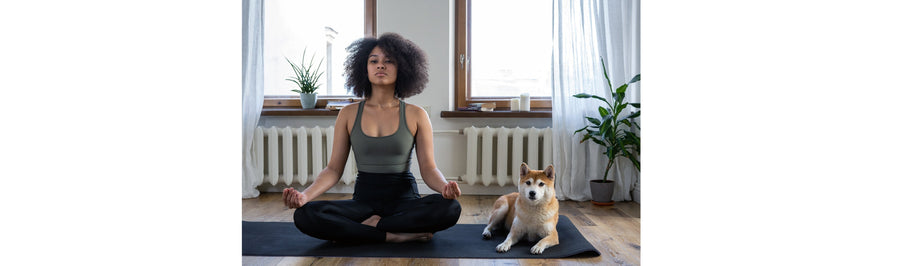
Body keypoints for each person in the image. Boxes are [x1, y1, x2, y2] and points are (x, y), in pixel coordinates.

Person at [282, 33, 462, 243]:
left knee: (450, 208)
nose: (380, 66)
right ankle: (392, 235)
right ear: (364, 68)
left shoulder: (416, 114)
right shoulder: (348, 114)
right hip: (363, 204)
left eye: (388, 61)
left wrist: (444, 189)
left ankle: (369, 229)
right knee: (305, 214)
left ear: (402, 67)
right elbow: (333, 170)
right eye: (374, 61)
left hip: (404, 202)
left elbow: (429, 168)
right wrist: (304, 196)